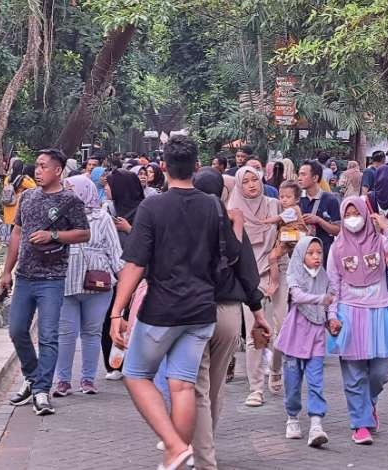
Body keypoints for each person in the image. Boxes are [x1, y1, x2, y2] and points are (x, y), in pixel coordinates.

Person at [109, 135, 259, 470]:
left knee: (136, 375)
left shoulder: (152, 207)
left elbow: (135, 264)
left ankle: (176, 447)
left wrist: (118, 311)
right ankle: (178, 457)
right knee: (182, 386)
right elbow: (230, 255)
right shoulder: (211, 206)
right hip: (201, 311)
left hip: (162, 310)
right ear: (196, 166)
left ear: (162, 167)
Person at [186, 167, 270, 470]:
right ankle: (206, 444)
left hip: (194, 312)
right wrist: (258, 314)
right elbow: (247, 271)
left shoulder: (186, 222)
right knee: (215, 387)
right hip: (229, 313)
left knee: (197, 385)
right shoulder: (231, 221)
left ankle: (201, 452)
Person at [0, 149, 90, 416]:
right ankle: (32, 376)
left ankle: (41, 391)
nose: (37, 171)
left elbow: (84, 233)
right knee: (16, 330)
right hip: (24, 277)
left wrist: (53, 235)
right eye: (36, 166)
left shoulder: (69, 200)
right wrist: (7, 271)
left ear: (58, 170)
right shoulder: (27, 197)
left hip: (52, 277)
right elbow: (17, 232)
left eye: (43, 166)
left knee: (49, 336)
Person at [327, 196, 388, 446]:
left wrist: (386, 227)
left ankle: (368, 402)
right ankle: (360, 423)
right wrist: (331, 316)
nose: (352, 218)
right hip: (349, 313)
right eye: (347, 213)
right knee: (353, 373)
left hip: (379, 311)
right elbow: (333, 284)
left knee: (382, 371)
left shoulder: (380, 241)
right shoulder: (337, 247)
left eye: (356, 212)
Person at [52, 173, 123, 397]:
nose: (67, 192)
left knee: (92, 333)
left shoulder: (102, 218)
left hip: (98, 286)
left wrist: (126, 286)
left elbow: (115, 252)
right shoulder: (59, 216)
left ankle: (88, 380)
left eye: (71, 189)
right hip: (65, 284)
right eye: (66, 189)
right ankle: (62, 381)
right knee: (66, 334)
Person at [228, 165, 285, 406]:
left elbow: (292, 232)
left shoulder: (274, 205)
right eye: (246, 181)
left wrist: (278, 252)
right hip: (249, 277)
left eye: (255, 180)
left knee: (282, 330)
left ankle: (276, 370)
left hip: (277, 271)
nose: (252, 184)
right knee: (255, 334)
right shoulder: (232, 210)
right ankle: (256, 387)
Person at [277, 236, 332, 448]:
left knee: (316, 382)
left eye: (319, 253)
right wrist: (320, 299)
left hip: (316, 337)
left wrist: (331, 319)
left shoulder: (325, 277)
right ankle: (292, 418)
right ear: (301, 255)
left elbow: (330, 302)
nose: (316, 257)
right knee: (292, 385)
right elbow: (298, 296)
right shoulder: (294, 274)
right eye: (311, 253)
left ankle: (316, 424)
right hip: (294, 339)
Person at [101, 167, 145, 380]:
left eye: (109, 185)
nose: (106, 189)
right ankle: (114, 364)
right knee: (111, 318)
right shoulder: (107, 210)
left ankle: (134, 362)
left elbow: (150, 242)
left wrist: (129, 229)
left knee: (133, 318)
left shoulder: (143, 210)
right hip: (111, 275)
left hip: (137, 273)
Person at [298, 160, 341, 261]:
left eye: (303, 175)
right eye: (299, 174)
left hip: (324, 256)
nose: (299, 178)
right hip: (301, 254)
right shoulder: (297, 199)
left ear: (315, 178)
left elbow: (338, 231)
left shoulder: (330, 200)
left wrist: (318, 220)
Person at [1, 158, 36, 242]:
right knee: (16, 224)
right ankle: (14, 241)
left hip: (8, 203)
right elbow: (34, 187)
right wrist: (29, 178)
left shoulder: (7, 179)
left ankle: (6, 239)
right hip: (16, 204)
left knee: (9, 224)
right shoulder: (23, 180)